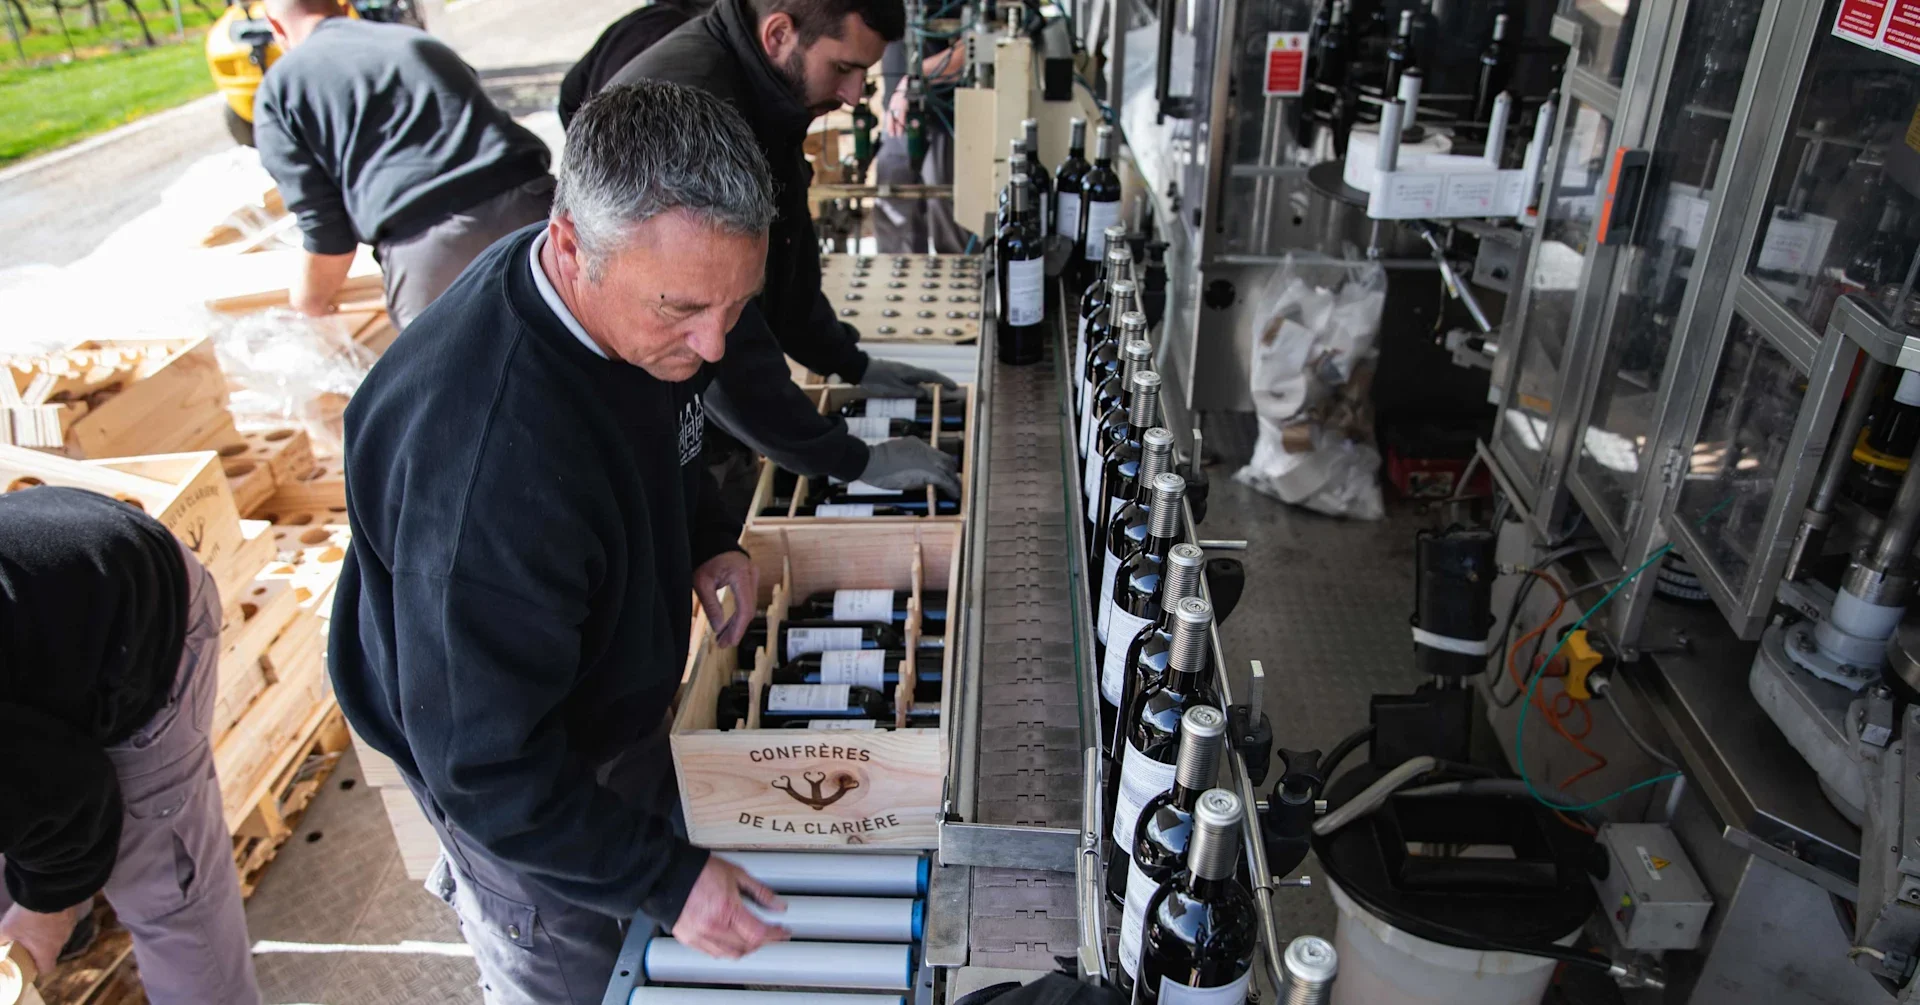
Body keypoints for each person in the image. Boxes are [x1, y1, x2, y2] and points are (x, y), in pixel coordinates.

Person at [330, 81, 793, 1005]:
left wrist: (707, 536)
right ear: (573, 244)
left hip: (578, 689)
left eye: (733, 307)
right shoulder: (487, 473)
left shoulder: (623, 307)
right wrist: (668, 881)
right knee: (574, 960)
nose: (710, 346)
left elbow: (668, 432)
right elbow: (488, 770)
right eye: (682, 310)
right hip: (500, 764)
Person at [608, 0, 963, 419]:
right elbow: (718, 338)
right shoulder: (694, 113)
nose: (852, 96)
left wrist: (848, 362)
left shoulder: (767, 90)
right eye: (843, 69)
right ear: (778, 35)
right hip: (659, 406)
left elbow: (788, 253)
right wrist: (845, 456)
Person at [0, 487, 260, 1005]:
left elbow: (71, 794)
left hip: (131, 610)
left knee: (163, 890)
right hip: (40, 614)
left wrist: (43, 914)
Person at [253, 0, 556, 329]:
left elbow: (328, 235)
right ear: (342, 6)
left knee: (453, 376)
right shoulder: (414, 42)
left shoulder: (279, 89)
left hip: (432, 252)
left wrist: (308, 302)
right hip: (539, 209)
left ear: (276, 27)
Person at [874, 39, 971, 254]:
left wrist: (917, 76)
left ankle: (956, 283)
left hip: (947, 120)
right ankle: (897, 285)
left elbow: (974, 47)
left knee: (947, 208)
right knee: (893, 205)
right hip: (897, 118)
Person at [558, 0, 714, 129]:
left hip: (597, 149)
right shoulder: (698, 50)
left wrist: (584, 149)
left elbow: (569, 94)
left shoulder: (638, 20)